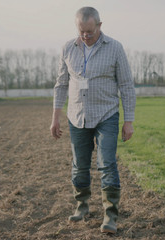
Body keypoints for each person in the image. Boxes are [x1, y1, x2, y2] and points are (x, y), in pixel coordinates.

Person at [50, 6, 136, 234]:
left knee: (107, 163)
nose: (85, 36)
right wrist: (55, 117)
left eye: (90, 31)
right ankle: (82, 206)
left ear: (99, 25)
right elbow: (61, 84)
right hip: (77, 117)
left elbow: (126, 86)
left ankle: (110, 215)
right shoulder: (68, 47)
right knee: (80, 165)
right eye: (82, 32)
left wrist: (129, 121)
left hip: (106, 115)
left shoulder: (115, 48)